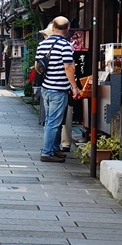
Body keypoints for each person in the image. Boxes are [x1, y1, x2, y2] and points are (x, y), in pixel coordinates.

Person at [35, 16, 79, 162]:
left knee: (51, 120)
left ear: (53, 27)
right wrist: (74, 86)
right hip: (59, 89)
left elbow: (37, 66)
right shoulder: (65, 46)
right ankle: (47, 152)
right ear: (67, 30)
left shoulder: (42, 45)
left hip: (46, 88)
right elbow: (68, 67)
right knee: (54, 122)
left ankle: (54, 149)